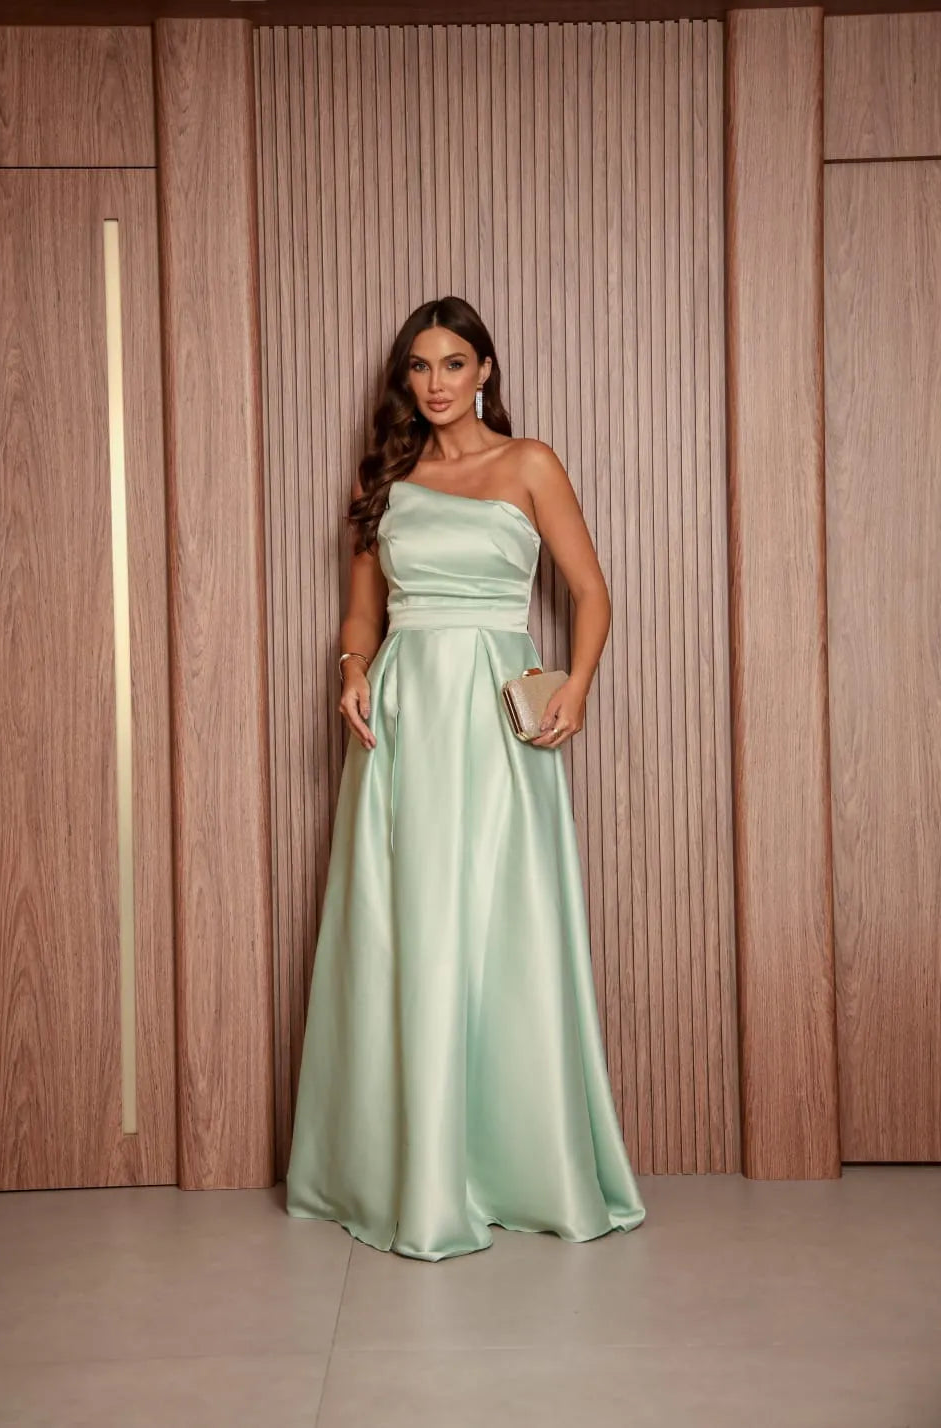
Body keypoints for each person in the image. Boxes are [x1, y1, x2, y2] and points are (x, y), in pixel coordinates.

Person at [285, 294, 646, 1261]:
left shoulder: (530, 464)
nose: (435, 383)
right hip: (404, 713)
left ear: (485, 370)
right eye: (419, 366)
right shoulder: (386, 480)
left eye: (453, 363)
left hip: (495, 716)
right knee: (403, 924)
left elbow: (591, 592)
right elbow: (363, 613)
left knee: (503, 920)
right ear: (404, 379)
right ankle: (404, 1172)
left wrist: (577, 685)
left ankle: (517, 1162)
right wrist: (352, 670)